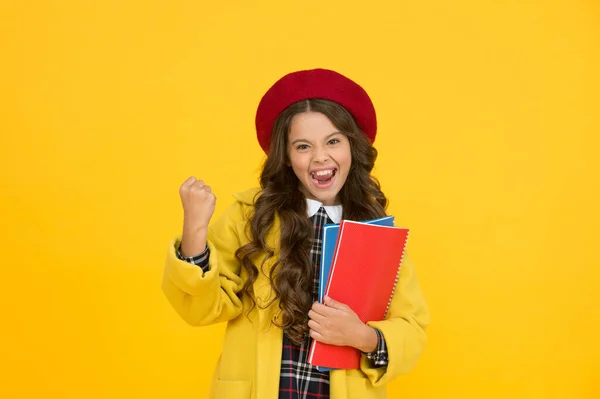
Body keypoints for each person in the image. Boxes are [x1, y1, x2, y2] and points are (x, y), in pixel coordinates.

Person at [162, 68, 430, 399]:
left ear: (352, 146)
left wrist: (361, 336)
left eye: (333, 141)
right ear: (286, 157)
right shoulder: (251, 218)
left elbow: (412, 331)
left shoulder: (375, 233)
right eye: (303, 146)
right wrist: (195, 230)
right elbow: (201, 309)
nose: (320, 157)